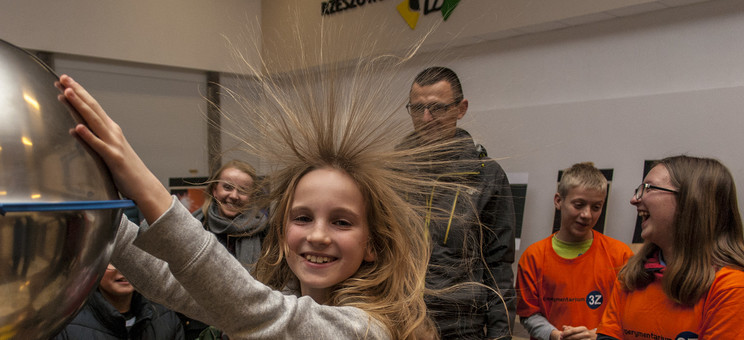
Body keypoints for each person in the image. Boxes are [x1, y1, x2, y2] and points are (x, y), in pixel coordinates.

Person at [58, 49, 449, 339]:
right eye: (302, 217)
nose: (317, 235)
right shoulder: (280, 296)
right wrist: (93, 209)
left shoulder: (365, 329)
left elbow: (247, 305)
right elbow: (168, 281)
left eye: (342, 221)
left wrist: (140, 180)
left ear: (373, 245)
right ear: (281, 230)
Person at [402, 66, 516, 339]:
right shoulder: (392, 173)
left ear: (460, 108)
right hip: (400, 321)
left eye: (437, 108)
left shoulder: (486, 175)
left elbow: (499, 265)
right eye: (417, 109)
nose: (426, 118)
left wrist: (500, 336)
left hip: (460, 328)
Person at [596, 155, 744, 339]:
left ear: (690, 200)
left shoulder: (731, 289)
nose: (634, 199)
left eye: (648, 188)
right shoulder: (632, 275)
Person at [516, 162, 633, 340]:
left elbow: (628, 313)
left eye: (596, 207)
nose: (587, 214)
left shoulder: (620, 255)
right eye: (579, 205)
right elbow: (528, 313)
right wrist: (555, 335)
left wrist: (598, 335)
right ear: (558, 201)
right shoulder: (534, 256)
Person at [183, 161, 267, 340]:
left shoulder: (264, 232)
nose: (234, 196)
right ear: (214, 190)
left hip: (251, 326)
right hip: (196, 325)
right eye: (227, 187)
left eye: (243, 190)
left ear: (251, 197)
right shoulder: (192, 227)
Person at [53, 263, 184, 340]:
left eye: (128, 260)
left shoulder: (165, 318)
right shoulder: (67, 324)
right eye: (113, 261)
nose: (122, 269)